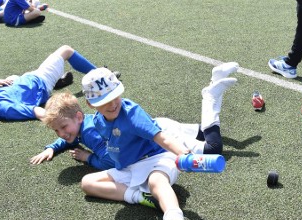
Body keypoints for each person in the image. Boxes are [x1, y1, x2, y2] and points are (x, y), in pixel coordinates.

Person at [78, 66, 237, 220]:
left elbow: (162, 138)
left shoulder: (131, 114)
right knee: (87, 183)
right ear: (91, 105)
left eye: (115, 96)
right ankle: (141, 197)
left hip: (157, 157)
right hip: (130, 167)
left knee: (156, 182)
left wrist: (184, 156)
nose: (113, 104)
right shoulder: (98, 120)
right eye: (105, 101)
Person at [30, 62, 238, 171]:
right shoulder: (82, 125)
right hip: (153, 126)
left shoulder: (92, 133)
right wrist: (53, 146)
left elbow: (112, 161)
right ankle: (216, 78)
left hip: (158, 135)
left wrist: (88, 158)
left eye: (63, 128)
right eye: (57, 130)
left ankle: (210, 96)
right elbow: (70, 136)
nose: (62, 134)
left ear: (79, 116)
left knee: (213, 149)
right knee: (204, 133)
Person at [0, 45, 96, 126]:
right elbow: (35, 111)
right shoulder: (7, 109)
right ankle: (100, 74)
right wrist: (59, 121)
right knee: (66, 50)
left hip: (28, 78)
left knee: (11, 78)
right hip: (42, 81)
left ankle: (58, 81)